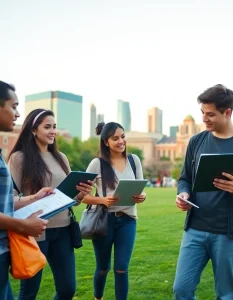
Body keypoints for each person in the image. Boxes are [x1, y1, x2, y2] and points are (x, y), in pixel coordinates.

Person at [173, 84, 233, 300]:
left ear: (227, 113)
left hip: (229, 233)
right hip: (195, 230)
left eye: (210, 114)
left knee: (225, 294)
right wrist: (184, 194)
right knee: (181, 290)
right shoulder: (196, 141)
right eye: (202, 113)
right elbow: (185, 179)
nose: (204, 119)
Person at [8, 108, 92, 300]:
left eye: (54, 126)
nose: (53, 131)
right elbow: (9, 201)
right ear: (33, 130)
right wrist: (35, 197)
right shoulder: (19, 158)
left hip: (63, 231)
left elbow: (70, 199)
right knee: (29, 292)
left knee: (67, 289)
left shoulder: (61, 157)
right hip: (35, 232)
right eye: (47, 127)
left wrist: (80, 194)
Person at [82, 122, 146, 300]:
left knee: (121, 268)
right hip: (104, 221)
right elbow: (81, 196)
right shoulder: (97, 164)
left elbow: (140, 187)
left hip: (127, 220)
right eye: (115, 138)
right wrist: (102, 200)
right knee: (103, 268)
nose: (121, 141)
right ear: (106, 142)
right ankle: (98, 297)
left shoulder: (134, 160)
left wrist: (143, 196)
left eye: (123, 137)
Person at [0, 81, 50, 300]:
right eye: (13, 106)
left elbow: (4, 202)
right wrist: (23, 225)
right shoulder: (18, 157)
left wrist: (33, 198)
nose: (18, 114)